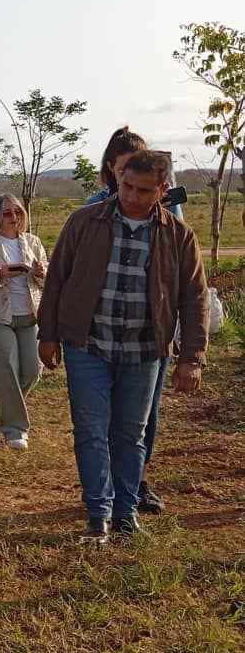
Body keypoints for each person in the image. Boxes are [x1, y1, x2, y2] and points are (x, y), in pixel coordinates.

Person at [37, 151, 208, 544]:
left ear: (162, 190)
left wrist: (191, 358)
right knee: (91, 430)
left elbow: (194, 298)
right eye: (126, 185)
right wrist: (49, 333)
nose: (131, 196)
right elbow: (58, 278)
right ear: (119, 179)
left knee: (131, 434)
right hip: (88, 345)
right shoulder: (85, 221)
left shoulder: (179, 235)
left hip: (146, 350)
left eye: (143, 190)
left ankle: (126, 514)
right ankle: (98, 513)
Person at [85, 128, 174, 514]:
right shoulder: (91, 212)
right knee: (99, 420)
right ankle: (104, 492)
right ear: (112, 170)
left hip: (150, 336)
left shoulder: (170, 216)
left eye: (143, 184)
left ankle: (136, 483)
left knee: (141, 418)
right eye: (125, 174)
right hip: (98, 337)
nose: (133, 189)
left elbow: (179, 274)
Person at [0, 192, 48, 450]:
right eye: (7, 213)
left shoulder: (32, 241)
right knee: (6, 366)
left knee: (32, 369)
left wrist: (40, 272)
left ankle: (10, 404)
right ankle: (14, 430)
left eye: (17, 212)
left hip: (29, 314)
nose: (14, 218)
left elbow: (46, 278)